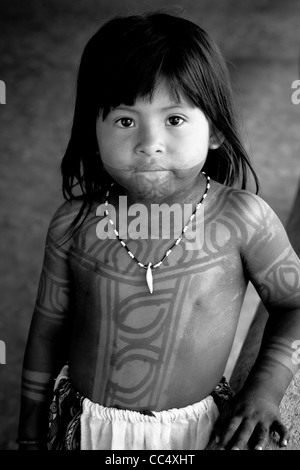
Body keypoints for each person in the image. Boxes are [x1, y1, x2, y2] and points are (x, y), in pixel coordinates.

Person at [17, 12, 300, 451]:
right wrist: (30, 435)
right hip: (86, 429)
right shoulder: (74, 224)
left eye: (174, 119)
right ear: (94, 133)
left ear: (216, 132)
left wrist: (264, 389)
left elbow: (295, 303)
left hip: (195, 432)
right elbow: (46, 333)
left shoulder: (242, 218)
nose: (150, 142)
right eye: (125, 121)